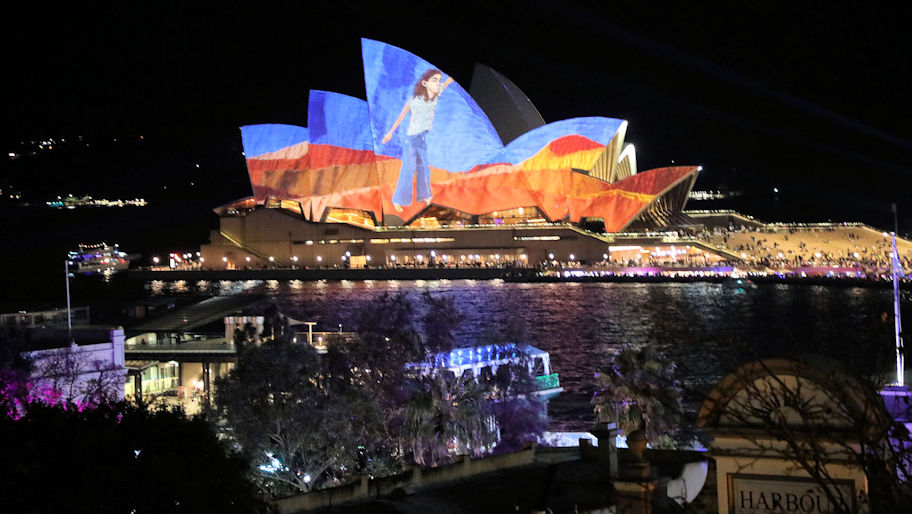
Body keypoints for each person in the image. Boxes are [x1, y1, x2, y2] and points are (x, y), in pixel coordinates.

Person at [382, 69, 454, 212]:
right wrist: (390, 133)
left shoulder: (435, 96)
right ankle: (398, 200)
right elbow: (401, 116)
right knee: (408, 169)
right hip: (412, 137)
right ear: (425, 83)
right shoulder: (414, 101)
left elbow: (446, 84)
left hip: (421, 137)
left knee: (423, 167)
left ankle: (425, 195)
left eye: (438, 80)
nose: (437, 83)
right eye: (434, 80)